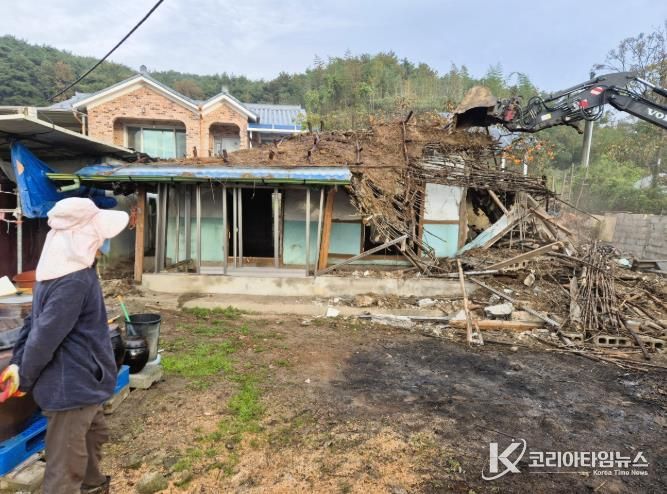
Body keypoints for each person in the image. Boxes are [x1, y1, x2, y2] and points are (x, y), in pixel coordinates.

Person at [0, 197, 129, 494]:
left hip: (84, 383)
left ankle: (93, 486)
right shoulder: (72, 280)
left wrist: (19, 365)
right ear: (81, 238)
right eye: (97, 236)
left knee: (92, 439)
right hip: (71, 387)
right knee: (65, 469)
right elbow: (43, 333)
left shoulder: (55, 271)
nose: (101, 243)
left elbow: (34, 323)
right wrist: (23, 372)